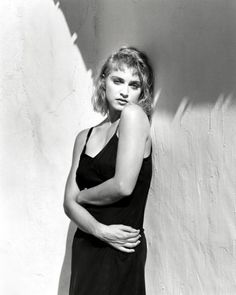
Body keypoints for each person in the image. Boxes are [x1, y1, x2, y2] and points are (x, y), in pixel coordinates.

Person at [64, 46, 154, 295]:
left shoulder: (134, 117)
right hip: (88, 244)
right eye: (117, 80)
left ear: (141, 93)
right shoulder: (84, 137)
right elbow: (67, 205)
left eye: (134, 85)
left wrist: (81, 197)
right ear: (103, 82)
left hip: (120, 249)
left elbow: (122, 186)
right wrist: (101, 231)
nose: (125, 91)